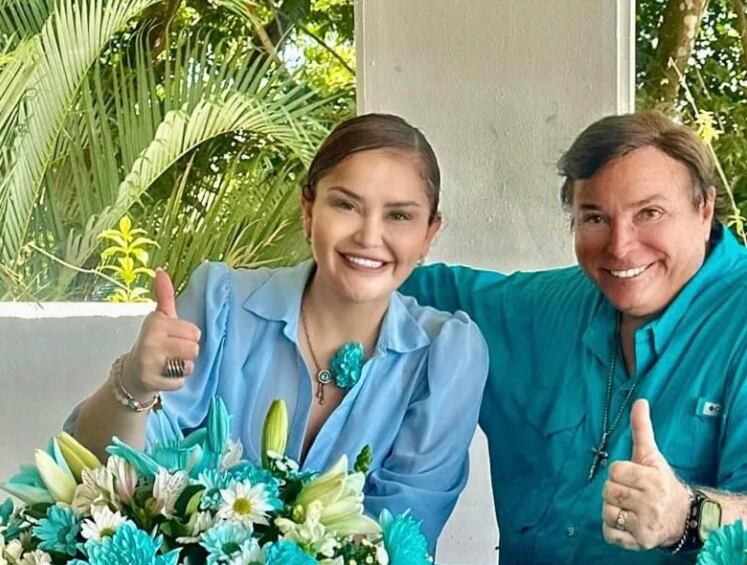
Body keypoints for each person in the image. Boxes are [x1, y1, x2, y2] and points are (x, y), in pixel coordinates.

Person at [400, 111, 747, 563]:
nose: (620, 246)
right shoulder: (553, 304)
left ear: (704, 208)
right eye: (595, 218)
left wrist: (687, 514)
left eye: (649, 212)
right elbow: (392, 280)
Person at [69, 113, 489, 548]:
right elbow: (104, 479)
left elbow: (400, 540)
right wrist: (135, 382)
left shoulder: (447, 355)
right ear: (308, 211)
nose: (369, 236)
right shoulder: (220, 305)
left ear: (429, 234)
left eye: (399, 215)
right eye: (346, 205)